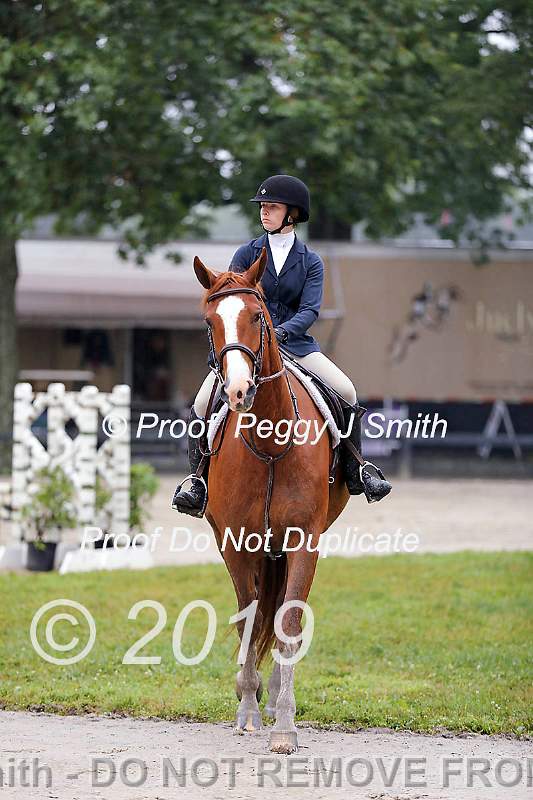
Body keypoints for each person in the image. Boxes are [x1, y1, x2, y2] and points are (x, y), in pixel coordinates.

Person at [172, 174, 391, 516]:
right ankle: (197, 481)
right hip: (247, 348)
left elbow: (310, 310)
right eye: (262, 206)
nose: (264, 212)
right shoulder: (246, 253)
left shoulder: (310, 261)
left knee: (346, 390)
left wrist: (281, 334)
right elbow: (234, 302)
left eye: (272, 207)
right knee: (201, 404)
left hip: (297, 345)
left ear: (293, 214)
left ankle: (357, 469)